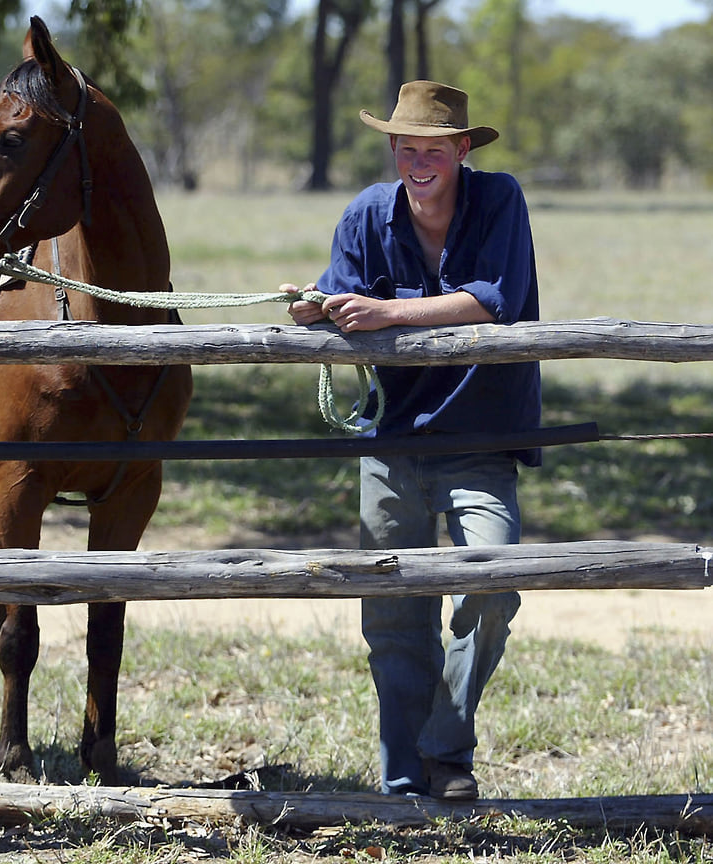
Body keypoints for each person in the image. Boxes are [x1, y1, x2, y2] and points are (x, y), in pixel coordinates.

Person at [281, 80, 541, 800]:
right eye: (407, 148)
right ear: (393, 148)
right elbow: (344, 296)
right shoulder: (367, 212)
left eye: (435, 148)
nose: (419, 161)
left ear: (462, 150)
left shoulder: (500, 199)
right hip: (392, 439)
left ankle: (444, 748)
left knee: (493, 584)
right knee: (393, 615)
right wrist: (315, 308)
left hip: (483, 435)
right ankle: (405, 785)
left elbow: (493, 300)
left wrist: (387, 311)